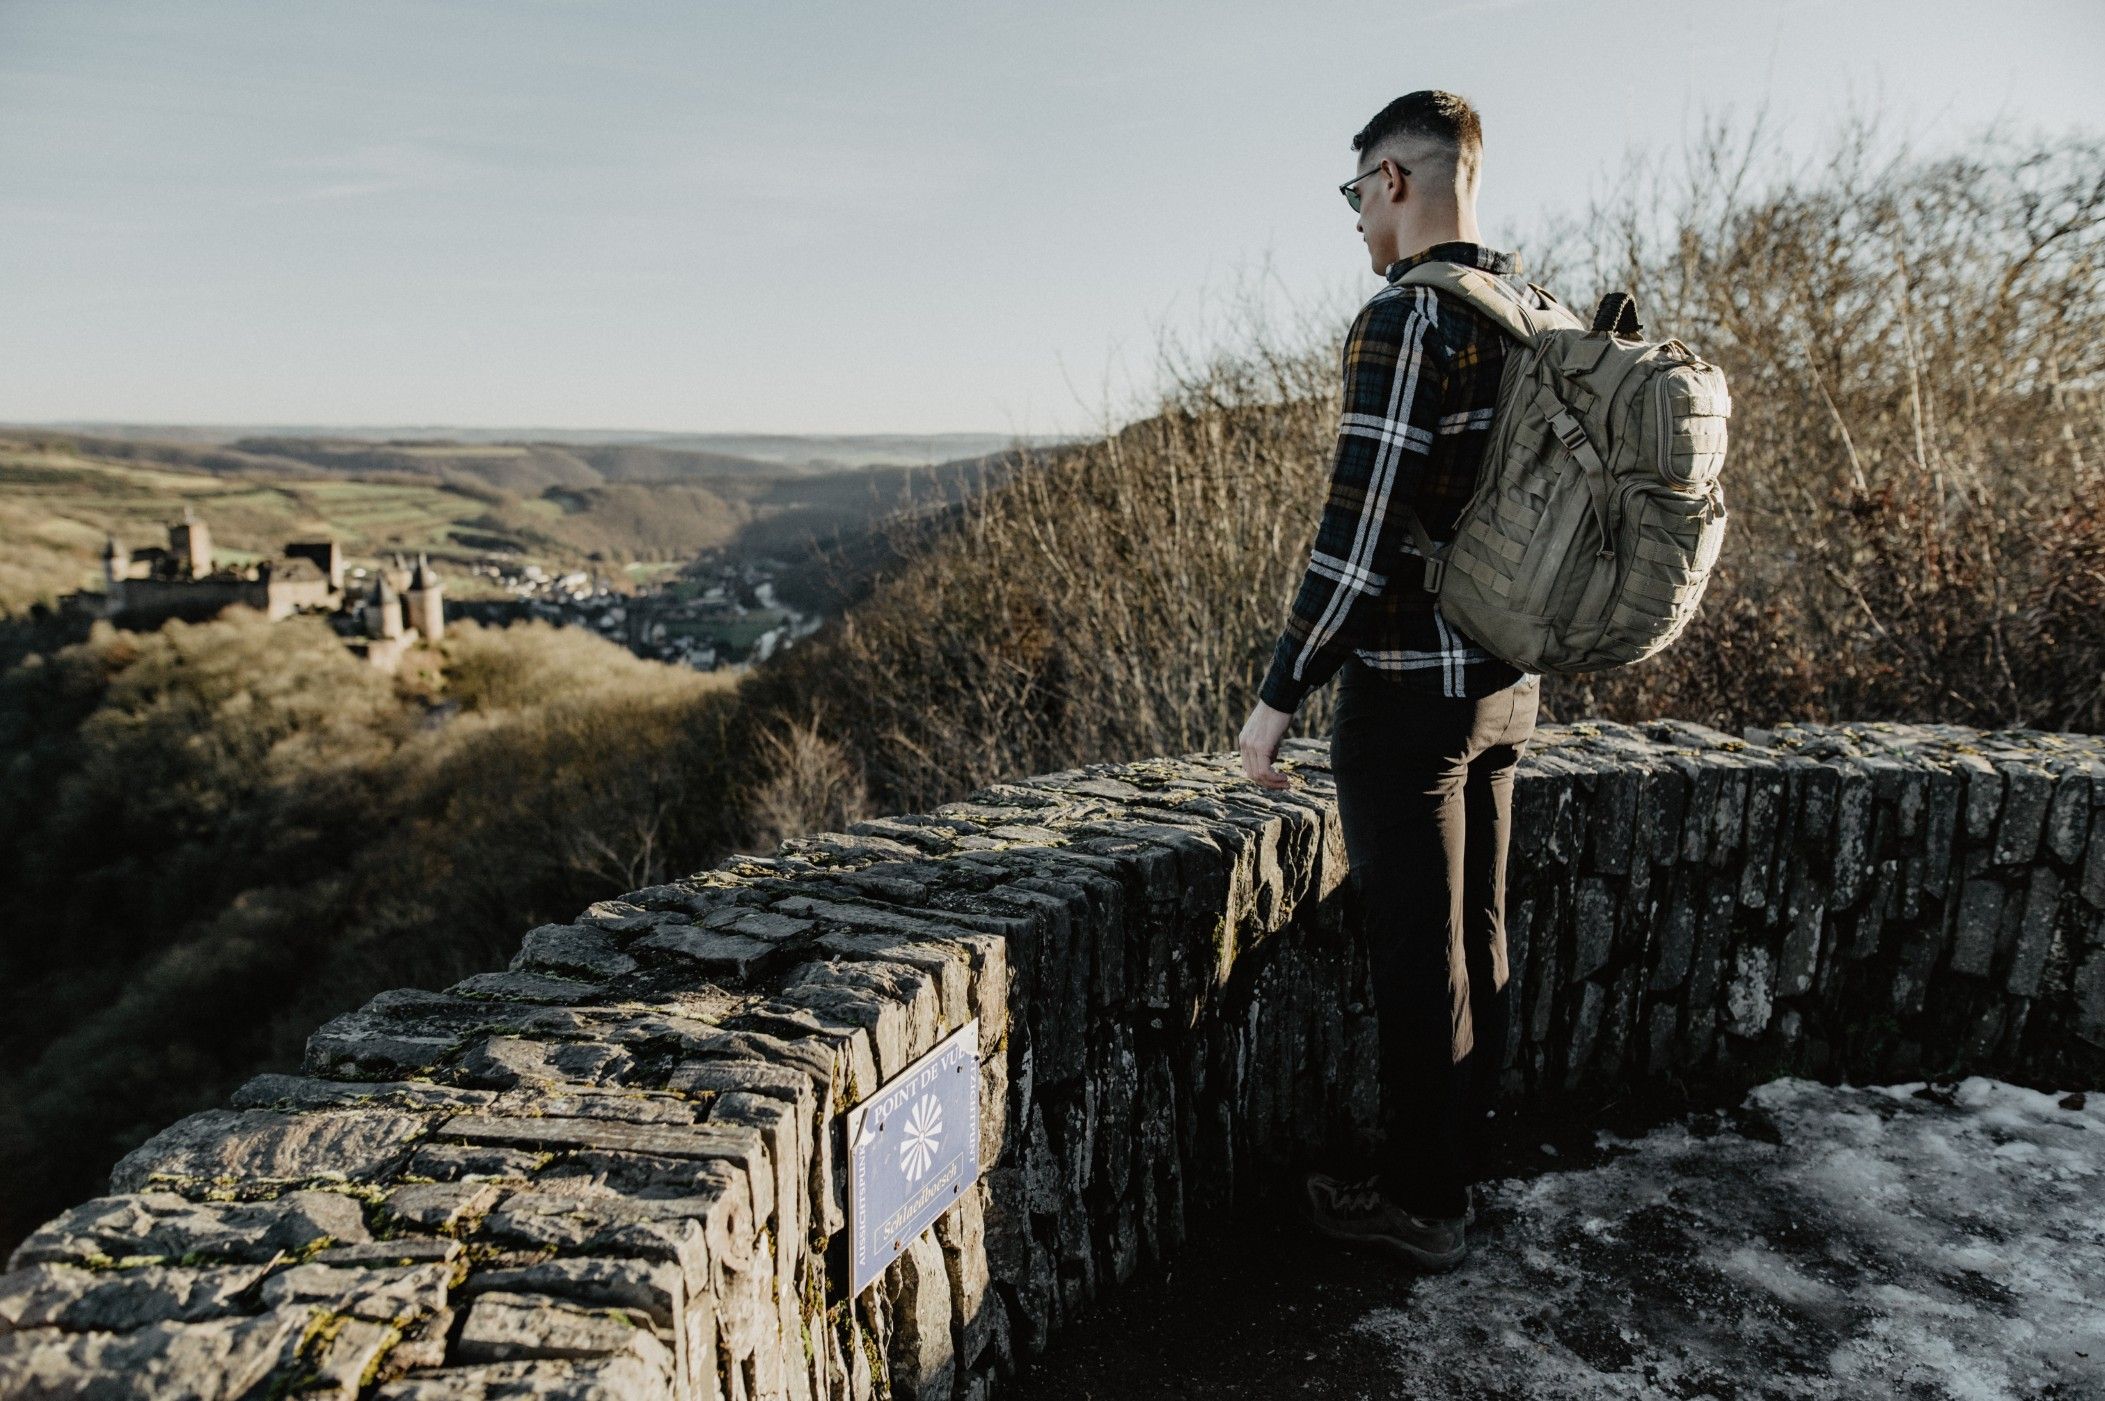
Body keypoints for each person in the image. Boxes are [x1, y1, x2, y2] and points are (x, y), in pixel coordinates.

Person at [1236, 89, 1551, 1271]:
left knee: (1417, 949)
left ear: (1394, 182)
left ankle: (1421, 1204)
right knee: (1480, 930)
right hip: (1505, 683)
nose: (1358, 220)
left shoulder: (1404, 322)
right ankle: (1462, 1159)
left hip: (1408, 691)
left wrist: (1277, 697)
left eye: (1356, 193)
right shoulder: (1530, 312)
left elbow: (1358, 539)